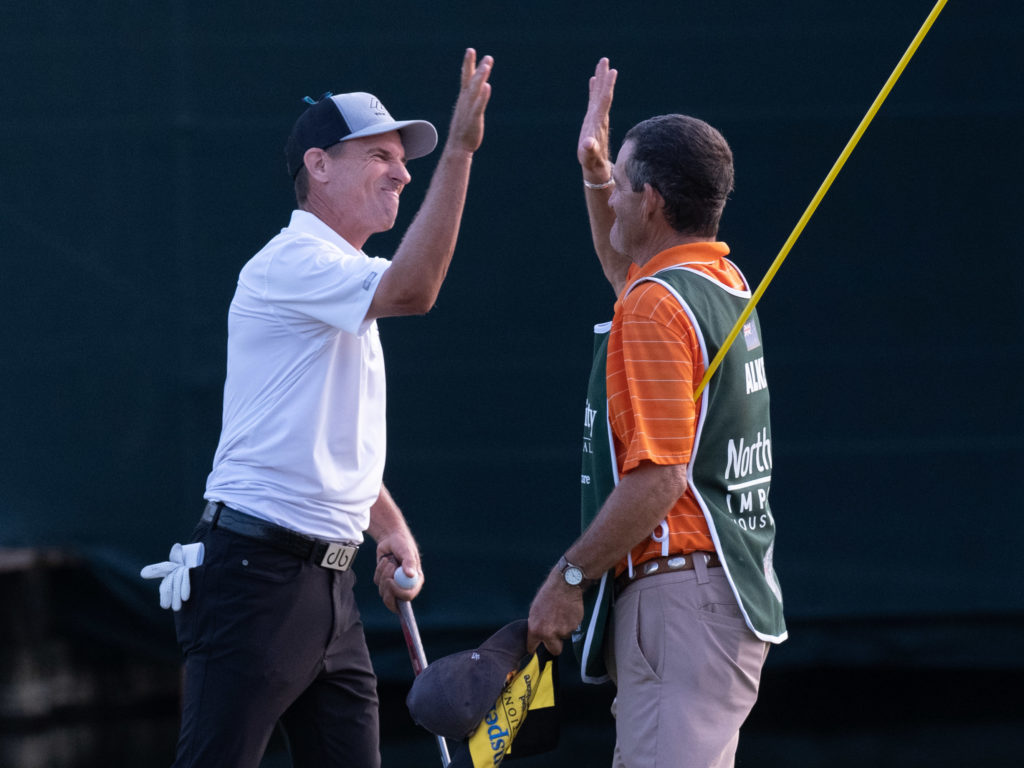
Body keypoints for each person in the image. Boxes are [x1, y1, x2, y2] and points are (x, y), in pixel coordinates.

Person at [163, 49, 493, 768]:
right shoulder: (292, 263)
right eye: (380, 155)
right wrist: (460, 153)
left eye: (405, 160)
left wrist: (391, 527)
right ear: (318, 165)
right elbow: (417, 290)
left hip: (328, 589)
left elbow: (327, 437)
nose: (403, 172)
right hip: (257, 576)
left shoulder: (346, 278)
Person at [527, 59, 787, 768]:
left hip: (683, 600)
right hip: (715, 598)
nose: (610, 196)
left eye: (620, 182)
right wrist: (591, 171)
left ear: (652, 204)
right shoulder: (718, 278)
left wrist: (568, 580)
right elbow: (627, 274)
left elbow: (660, 478)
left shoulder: (656, 306)